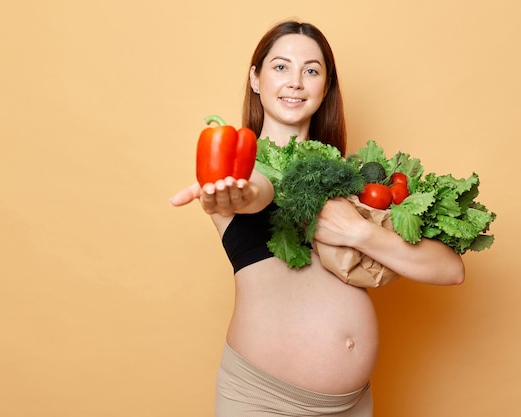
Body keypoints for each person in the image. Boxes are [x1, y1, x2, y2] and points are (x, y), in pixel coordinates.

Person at [170, 20, 465, 417]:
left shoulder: (352, 179)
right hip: (264, 402)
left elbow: (450, 270)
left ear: (325, 88)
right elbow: (260, 190)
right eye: (280, 67)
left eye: (311, 70)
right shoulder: (241, 169)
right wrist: (236, 191)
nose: (295, 81)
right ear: (255, 79)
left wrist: (359, 231)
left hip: (355, 403)